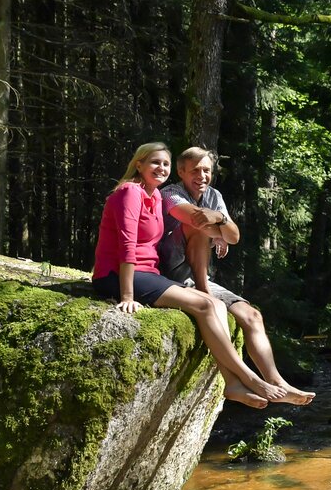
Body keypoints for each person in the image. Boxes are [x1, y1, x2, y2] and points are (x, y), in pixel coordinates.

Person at [92, 142, 294, 410]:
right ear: (139, 164)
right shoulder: (135, 192)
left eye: (164, 163)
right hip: (118, 275)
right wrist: (127, 295)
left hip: (149, 273)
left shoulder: (152, 197)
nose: (161, 168)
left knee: (216, 305)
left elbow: (232, 236)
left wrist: (218, 221)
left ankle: (231, 383)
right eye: (155, 163)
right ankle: (249, 378)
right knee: (205, 303)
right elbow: (129, 244)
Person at [158, 146, 314, 406]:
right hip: (170, 274)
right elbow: (194, 220)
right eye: (195, 170)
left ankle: (277, 382)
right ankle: (237, 380)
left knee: (252, 315)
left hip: (195, 276)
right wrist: (216, 229)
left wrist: (218, 219)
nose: (202, 176)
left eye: (206, 170)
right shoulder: (171, 193)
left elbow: (234, 236)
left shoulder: (214, 196)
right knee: (197, 228)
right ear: (181, 172)